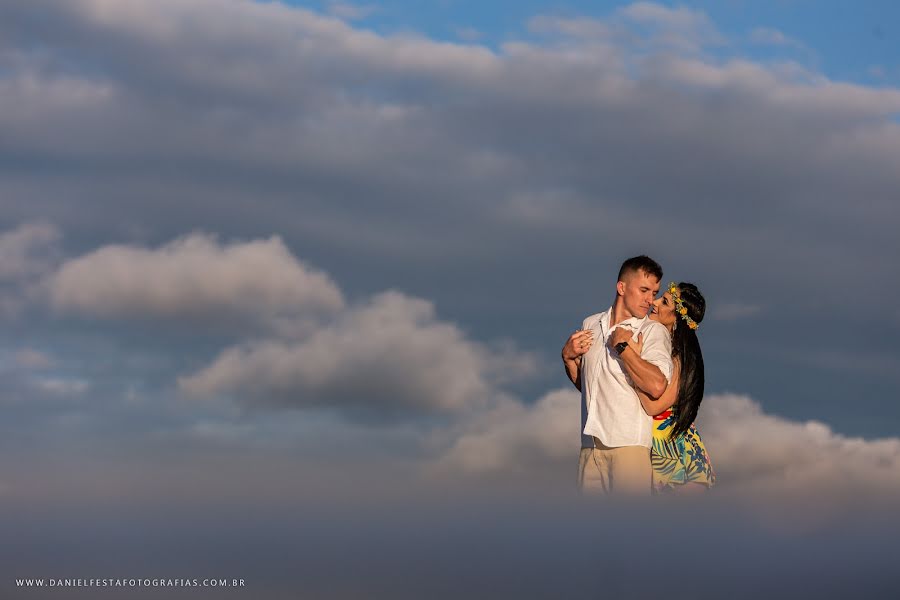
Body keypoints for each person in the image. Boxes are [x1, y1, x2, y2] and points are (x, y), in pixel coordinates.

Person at [561, 256, 673, 494]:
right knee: (588, 530)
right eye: (644, 290)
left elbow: (657, 386)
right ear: (621, 287)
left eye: (654, 292)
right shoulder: (590, 323)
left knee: (629, 529)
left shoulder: (653, 331)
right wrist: (568, 359)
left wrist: (624, 348)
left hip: (629, 448)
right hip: (589, 448)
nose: (650, 299)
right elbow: (590, 387)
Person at [609, 281, 715, 493]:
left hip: (675, 457)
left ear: (676, 319)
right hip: (654, 449)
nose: (654, 302)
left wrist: (630, 356)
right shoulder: (657, 345)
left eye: (664, 302)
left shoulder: (678, 358)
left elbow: (653, 406)